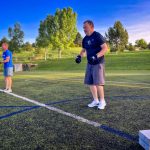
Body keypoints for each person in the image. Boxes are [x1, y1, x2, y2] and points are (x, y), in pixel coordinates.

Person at [75, 20, 108, 110]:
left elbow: (105, 48)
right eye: (83, 28)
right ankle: (96, 100)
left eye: (85, 27)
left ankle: (102, 101)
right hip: (89, 63)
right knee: (90, 82)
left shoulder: (97, 36)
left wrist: (96, 56)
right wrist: (79, 56)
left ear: (91, 26)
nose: (84, 29)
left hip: (98, 63)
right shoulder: (85, 39)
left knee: (98, 83)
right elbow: (83, 50)